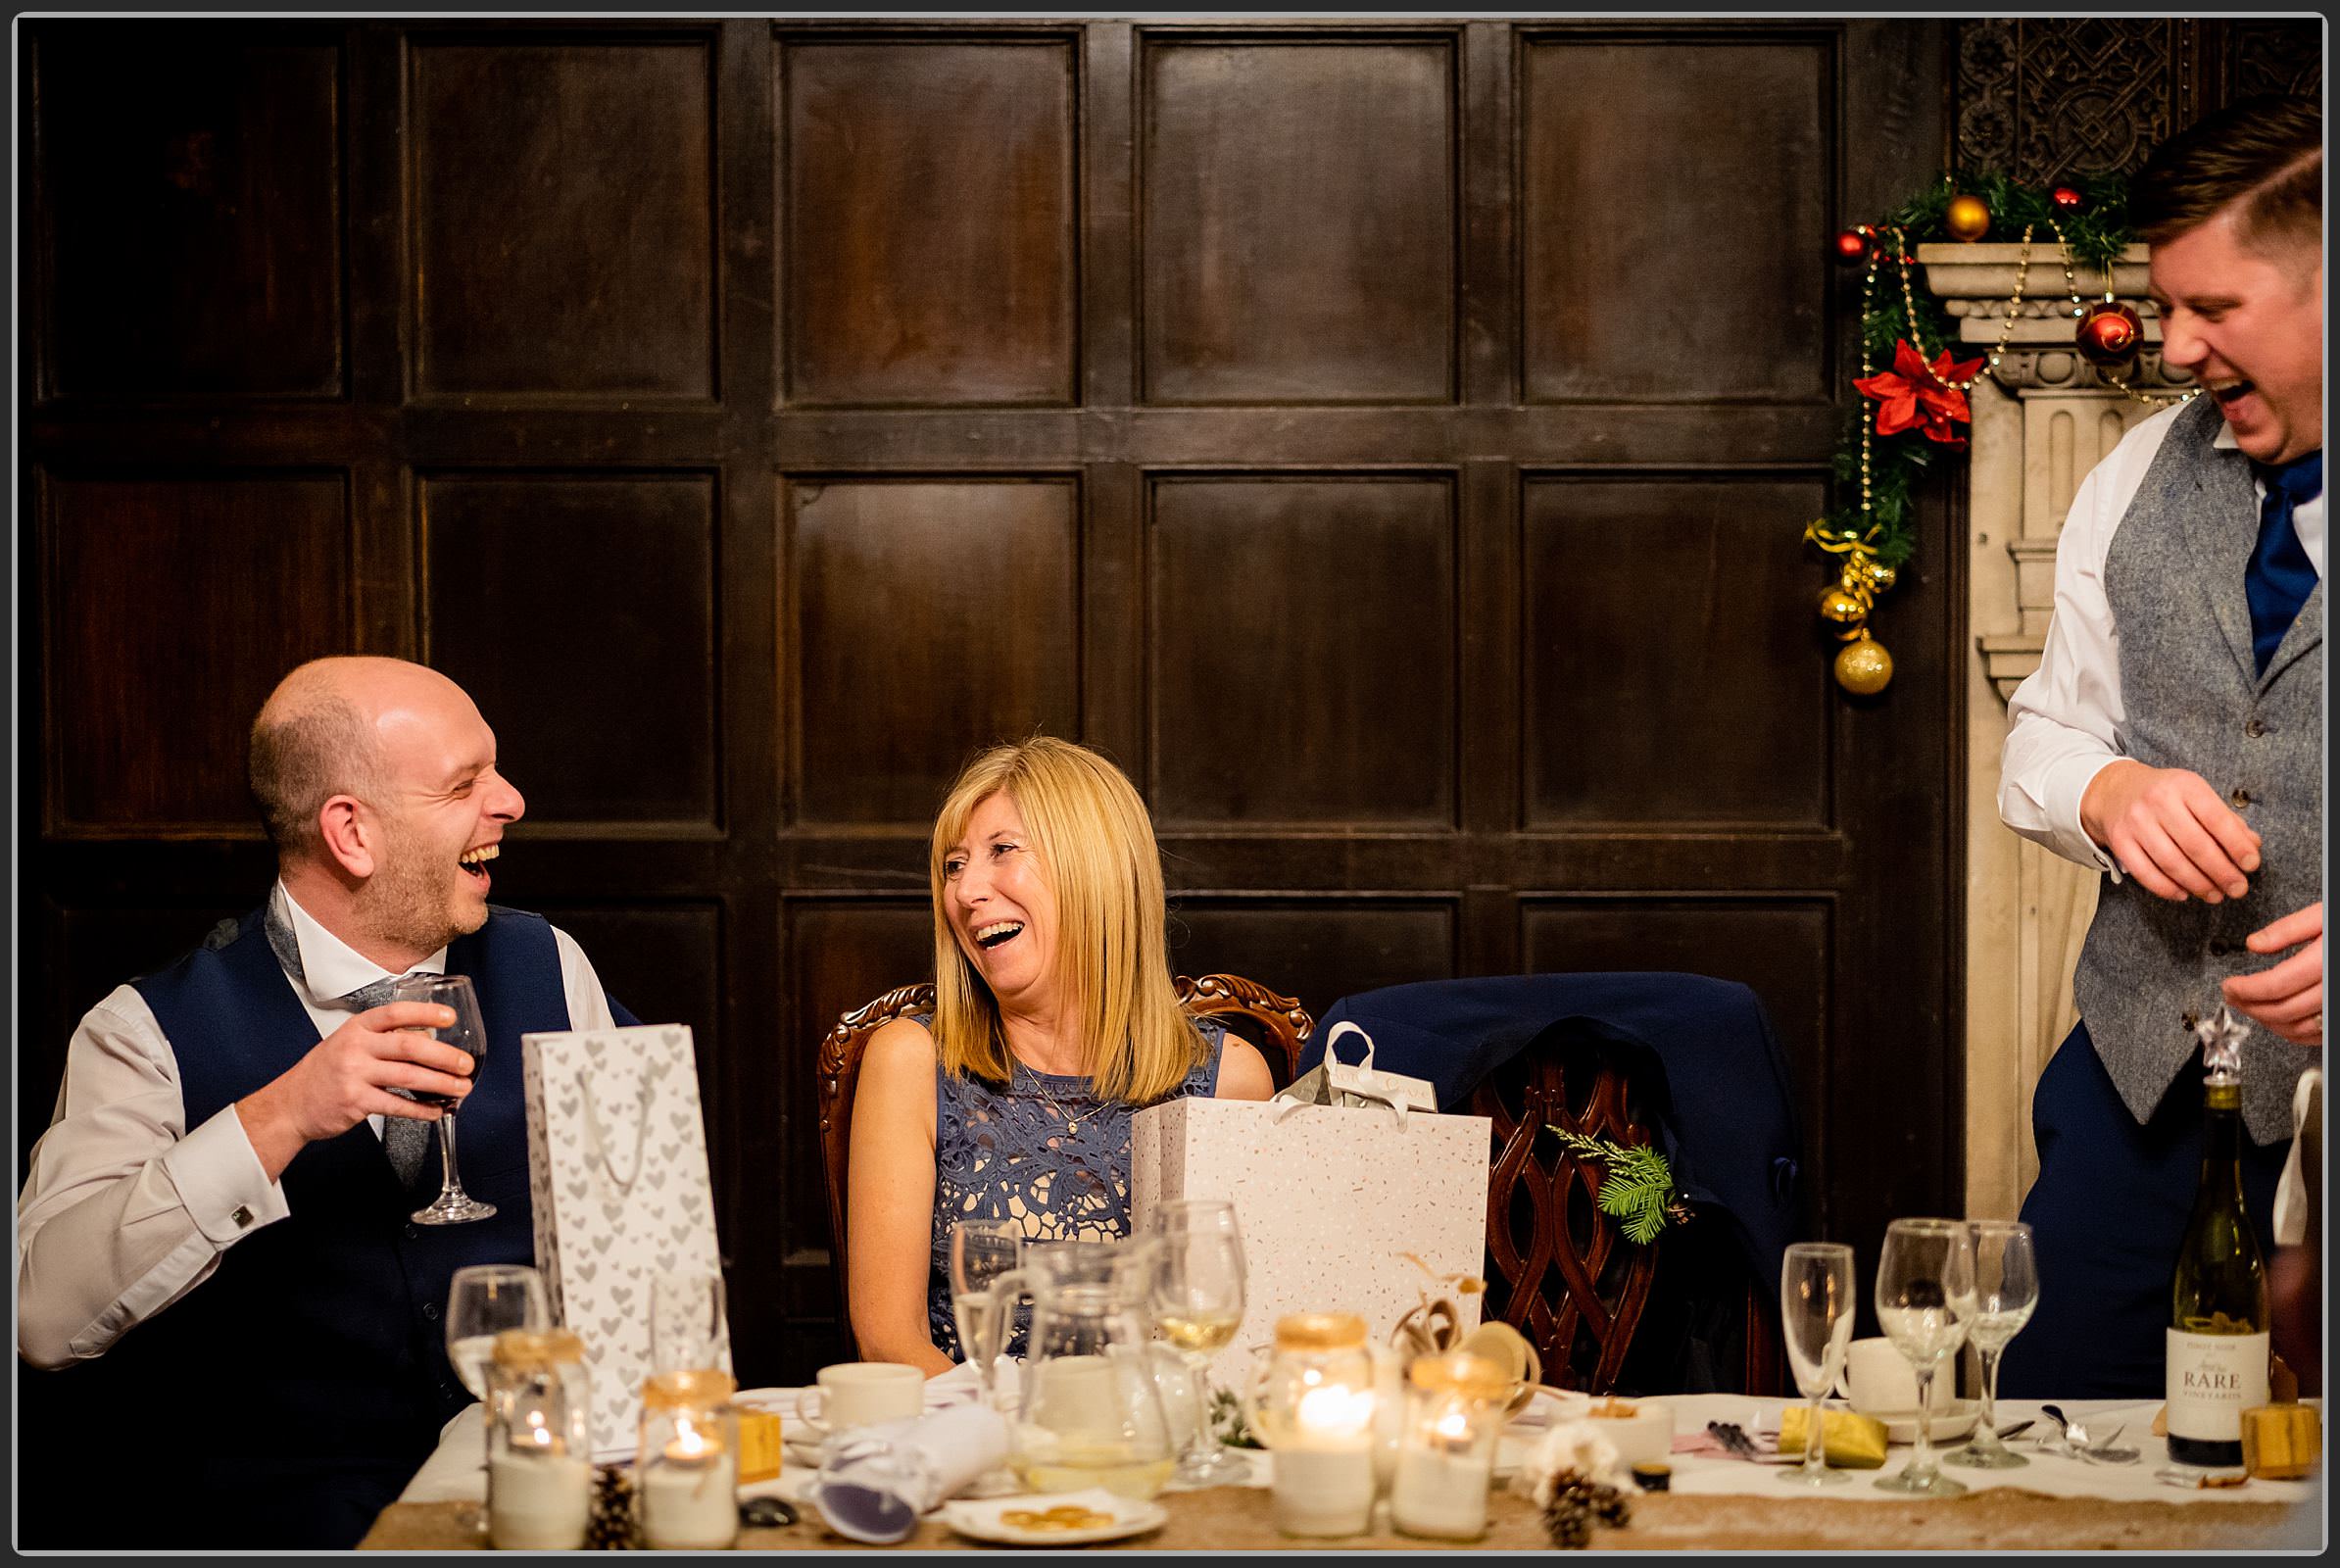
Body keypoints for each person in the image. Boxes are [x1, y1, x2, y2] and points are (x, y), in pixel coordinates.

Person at [16, 657, 637, 1548]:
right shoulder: (141, 1032)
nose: (511, 802)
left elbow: (640, 1241)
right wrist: (278, 1118)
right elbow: (41, 1317)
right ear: (351, 832)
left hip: (532, 1507)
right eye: (465, 783)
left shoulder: (552, 965)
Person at [1996, 95, 2320, 1398]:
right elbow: (2045, 727)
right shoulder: (2138, 467)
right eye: (2165, 305)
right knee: (2047, 1447)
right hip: (2136, 1091)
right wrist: (2105, 786)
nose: (2176, 346)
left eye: (2215, 309)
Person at [845, 737, 1275, 1373]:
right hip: (973, 1442)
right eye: (954, 866)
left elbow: (1240, 1339)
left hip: (1155, 1446)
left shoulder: (1229, 1080)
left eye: (1001, 851)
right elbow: (889, 1342)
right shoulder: (910, 1062)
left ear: (1092, 865)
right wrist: (1023, 1443)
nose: (965, 892)